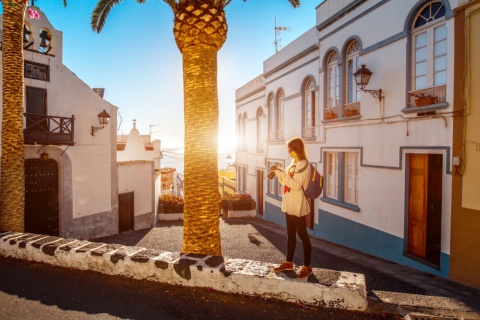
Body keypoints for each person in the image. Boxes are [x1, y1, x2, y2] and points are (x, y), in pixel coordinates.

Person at [269, 137, 313, 280]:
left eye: (290, 150)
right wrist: (278, 172)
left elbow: (295, 185)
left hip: (297, 204)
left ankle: (307, 266)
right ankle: (289, 262)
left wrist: (281, 173)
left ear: (296, 149)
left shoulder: (303, 164)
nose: (289, 153)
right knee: (290, 233)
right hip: (289, 203)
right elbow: (286, 181)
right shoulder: (294, 163)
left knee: (303, 235)